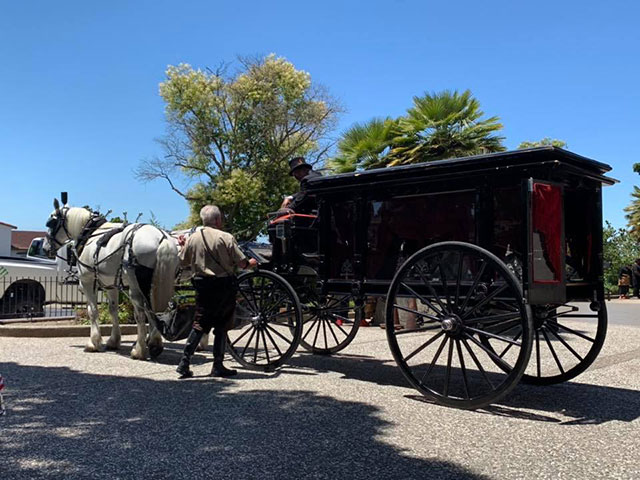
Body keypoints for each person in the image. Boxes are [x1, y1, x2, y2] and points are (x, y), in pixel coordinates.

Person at [176, 205, 257, 379]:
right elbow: (242, 263)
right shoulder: (226, 237)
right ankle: (217, 365)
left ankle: (184, 362)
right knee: (221, 325)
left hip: (202, 286)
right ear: (218, 220)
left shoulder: (193, 238)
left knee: (199, 323)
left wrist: (184, 246)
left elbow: (183, 263)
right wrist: (252, 262)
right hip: (223, 286)